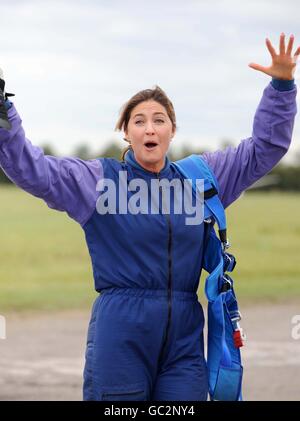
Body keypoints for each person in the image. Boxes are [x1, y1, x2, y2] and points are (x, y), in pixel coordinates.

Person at [0, 33, 299, 401]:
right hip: (120, 332)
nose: (150, 128)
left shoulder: (202, 178)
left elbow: (265, 149)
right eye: (139, 121)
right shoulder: (98, 181)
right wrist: (4, 112)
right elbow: (33, 170)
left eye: (159, 120)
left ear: (172, 130)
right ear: (126, 132)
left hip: (185, 337)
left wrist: (282, 87)